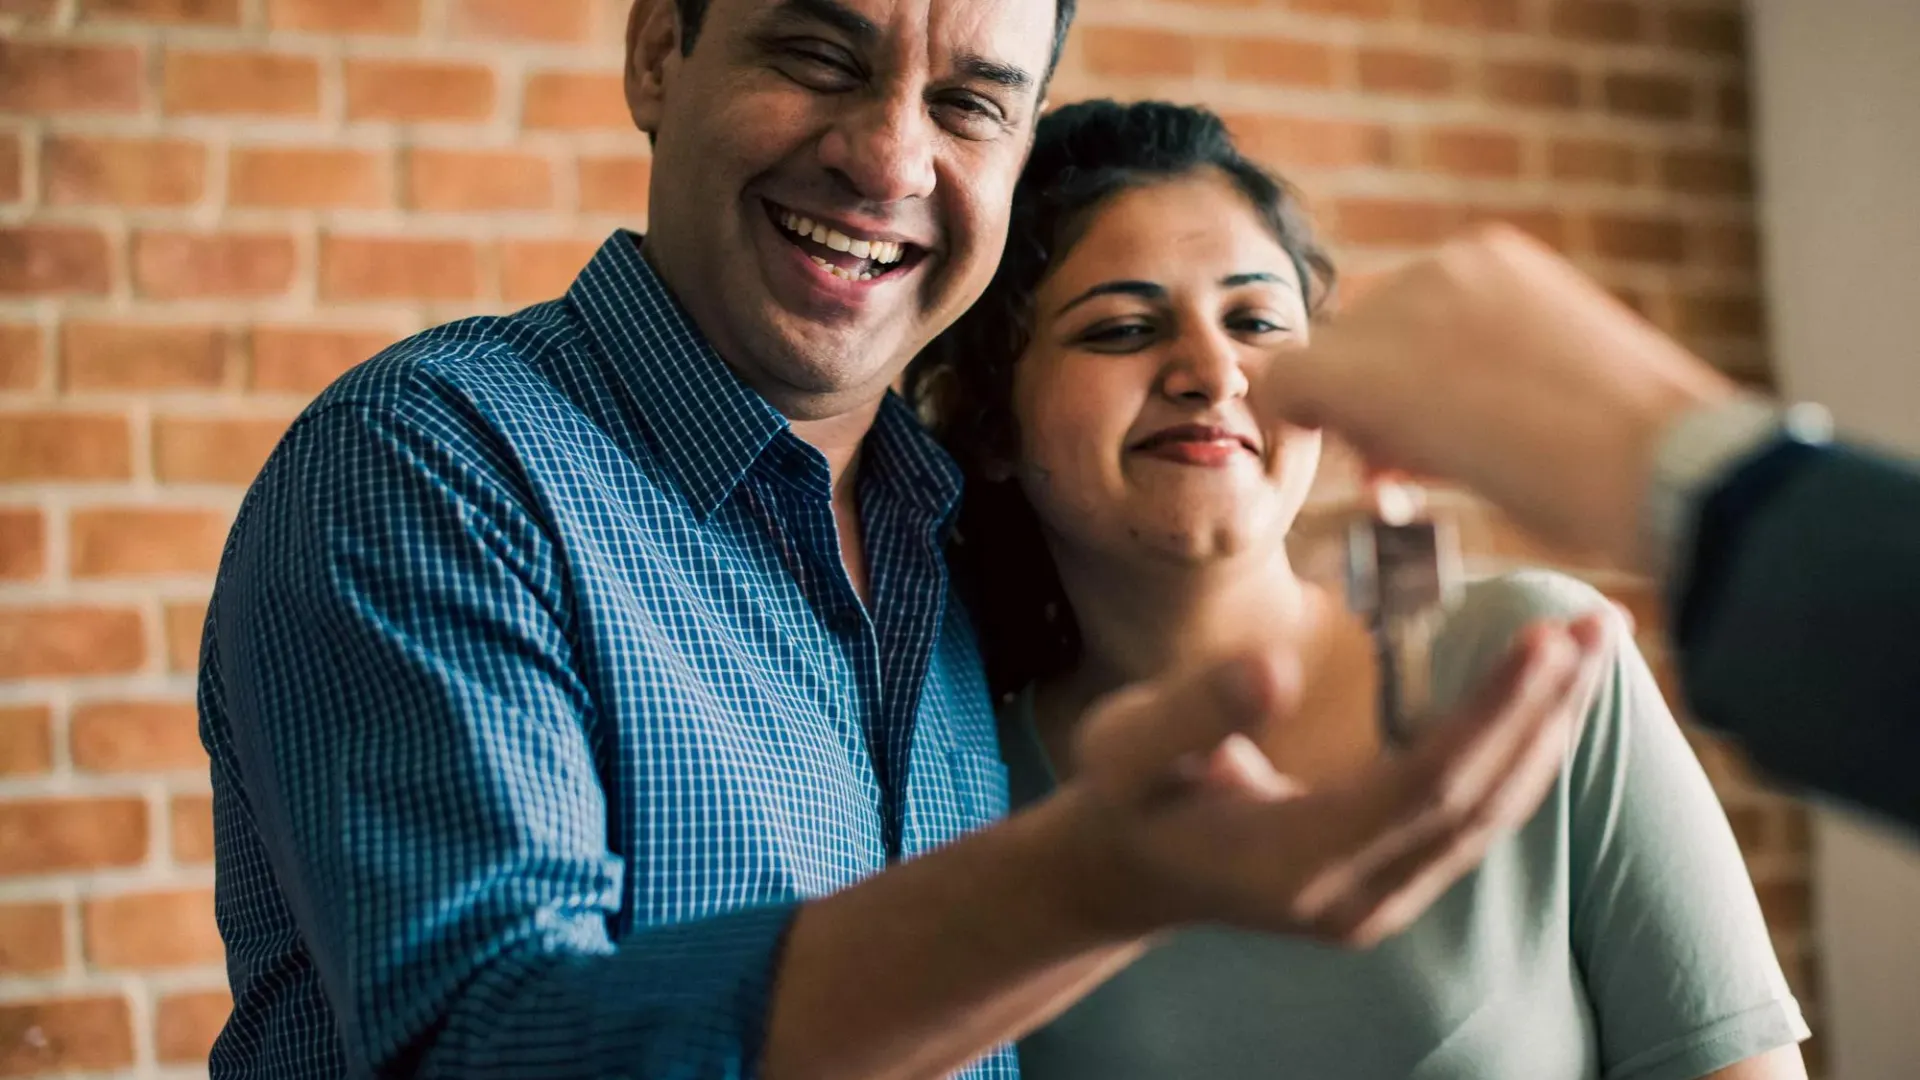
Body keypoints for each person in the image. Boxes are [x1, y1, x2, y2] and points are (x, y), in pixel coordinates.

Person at [196, 1, 1613, 1077]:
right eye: (819, 56)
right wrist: (1091, 882)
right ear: (653, 55)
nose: (887, 156)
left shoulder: (957, 547)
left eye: (972, 103)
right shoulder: (434, 463)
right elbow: (490, 1047)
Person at [910, 99, 1809, 1080]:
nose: (1215, 372)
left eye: (1256, 321)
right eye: (1123, 328)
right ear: (990, 421)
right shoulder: (963, 785)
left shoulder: (1537, 657)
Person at [1257, 223, 1920, 833]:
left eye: (1252, 321)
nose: (1211, 374)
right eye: (1144, 326)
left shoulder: (1539, 641)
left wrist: (1679, 461)